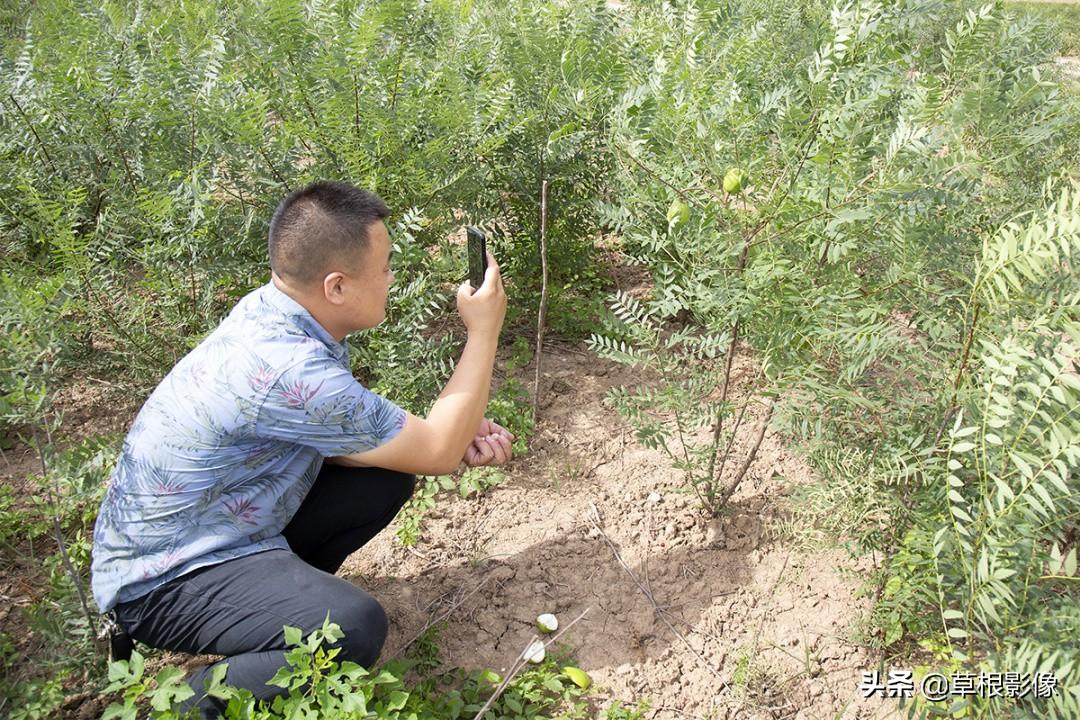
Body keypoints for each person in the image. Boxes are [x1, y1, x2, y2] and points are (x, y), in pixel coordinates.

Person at [90, 180, 512, 717]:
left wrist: (452, 430)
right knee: (354, 628)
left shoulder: (275, 313)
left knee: (382, 476)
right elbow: (435, 451)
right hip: (160, 579)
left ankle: (271, 615)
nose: (391, 278)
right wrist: (483, 331)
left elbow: (387, 440)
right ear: (336, 287)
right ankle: (169, 711)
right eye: (384, 268)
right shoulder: (291, 368)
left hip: (214, 528)